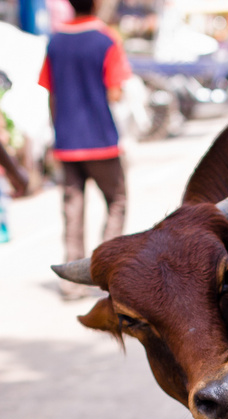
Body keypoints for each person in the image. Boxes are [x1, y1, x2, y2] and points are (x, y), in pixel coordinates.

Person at [38, 0, 131, 299]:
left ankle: (71, 282)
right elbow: (115, 92)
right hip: (101, 138)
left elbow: (50, 93)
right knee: (116, 200)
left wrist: (58, 133)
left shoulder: (55, 42)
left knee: (72, 208)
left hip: (67, 141)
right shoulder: (106, 40)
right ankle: (107, 272)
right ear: (95, 4)